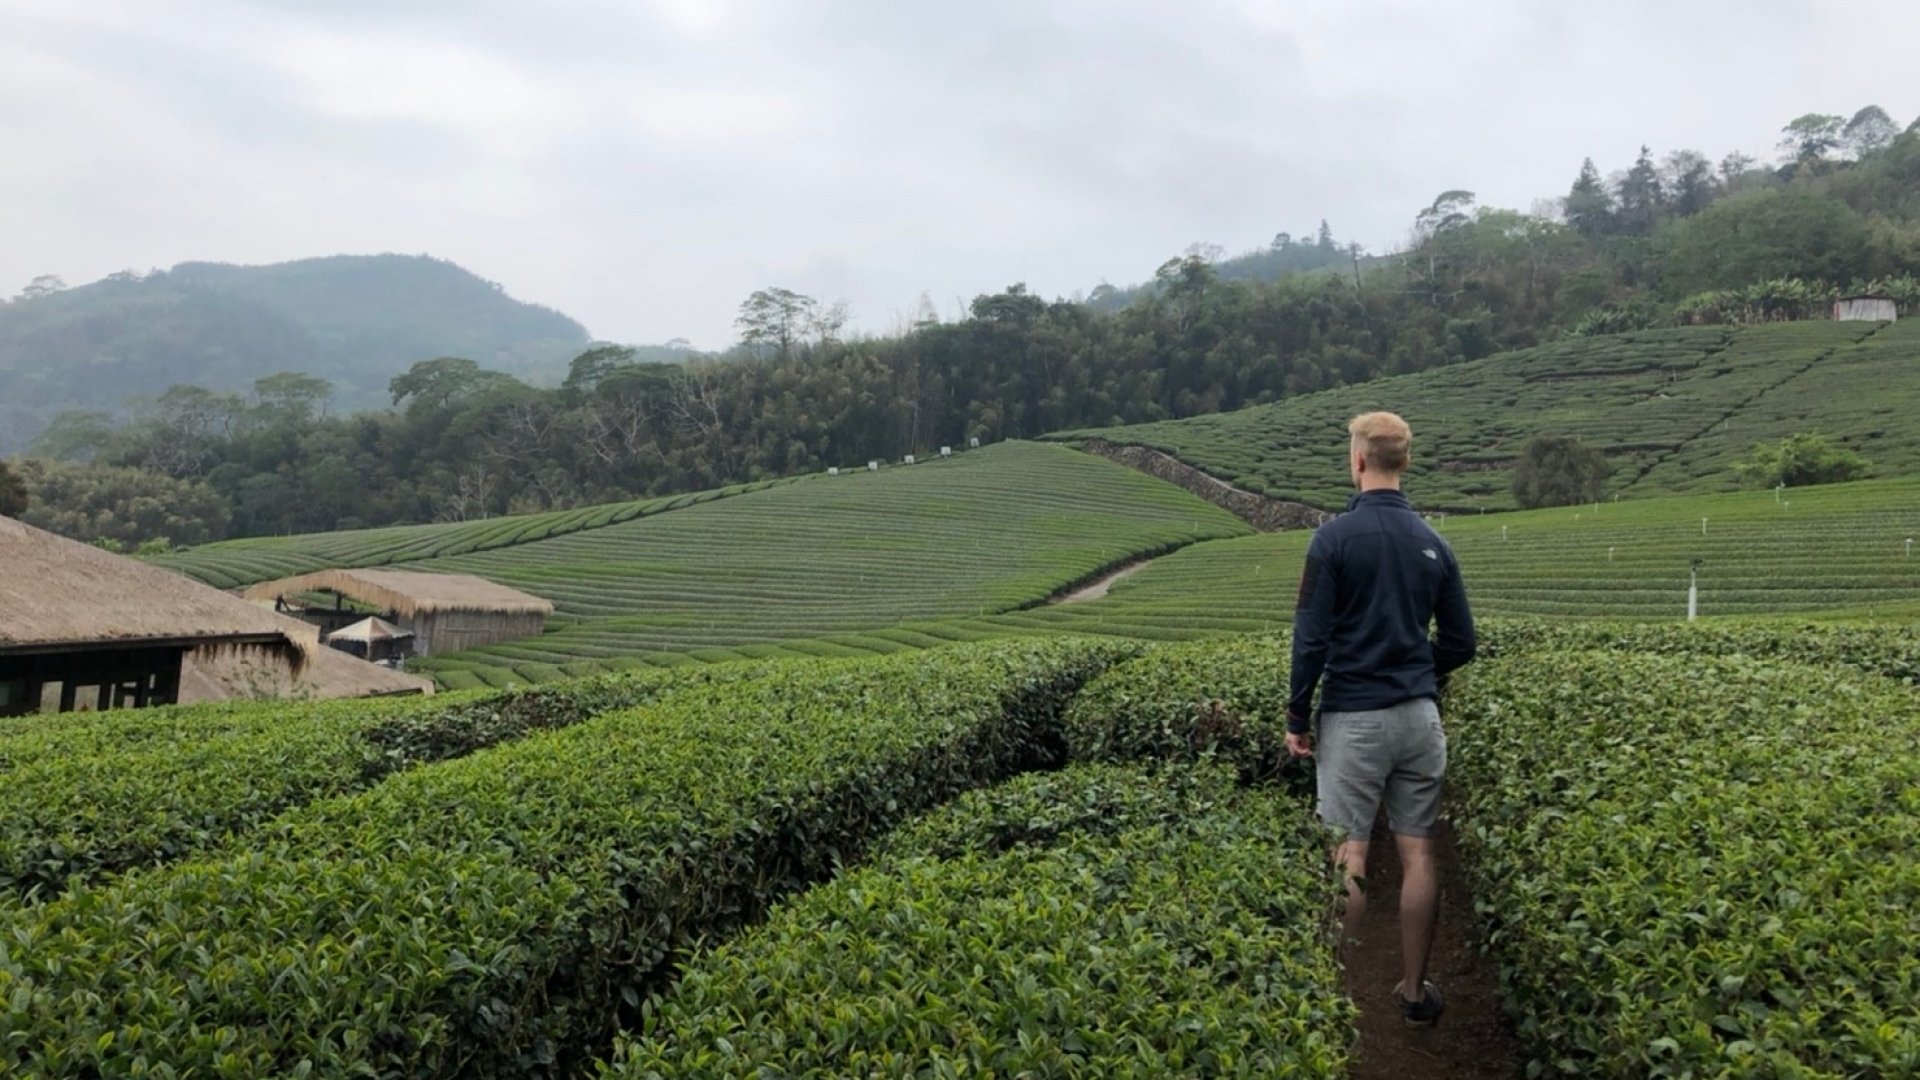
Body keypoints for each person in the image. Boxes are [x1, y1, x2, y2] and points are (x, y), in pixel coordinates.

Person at [1284, 411, 1476, 1028]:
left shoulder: (1333, 540)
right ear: (1404, 463)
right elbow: (1462, 641)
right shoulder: (1434, 542)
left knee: (1351, 851)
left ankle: (1330, 995)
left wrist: (1296, 713)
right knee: (1419, 851)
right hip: (1419, 718)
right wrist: (1420, 668)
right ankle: (1415, 991)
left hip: (1355, 718)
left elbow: (1309, 640)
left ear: (1359, 460)